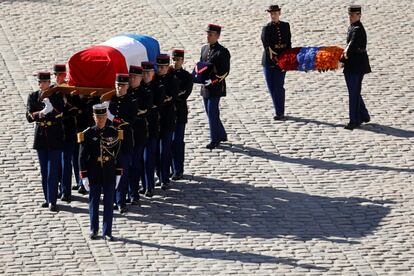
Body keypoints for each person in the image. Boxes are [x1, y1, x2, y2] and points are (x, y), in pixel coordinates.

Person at [78, 104, 122, 241]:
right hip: (94, 173)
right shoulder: (88, 134)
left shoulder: (113, 132)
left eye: (103, 116)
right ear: (94, 117)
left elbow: (118, 154)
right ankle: (94, 229)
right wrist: (84, 176)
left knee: (109, 203)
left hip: (108, 173)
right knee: (94, 203)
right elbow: (82, 157)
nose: (101, 119)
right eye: (98, 117)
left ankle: (107, 231)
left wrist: (118, 173)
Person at [26, 72, 64, 212]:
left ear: (49, 83)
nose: (41, 85)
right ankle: (47, 198)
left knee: (52, 170)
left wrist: (49, 109)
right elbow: (29, 116)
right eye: (39, 82)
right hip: (41, 136)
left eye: (44, 82)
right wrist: (41, 113)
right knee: (43, 170)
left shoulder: (56, 95)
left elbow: (60, 113)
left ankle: (52, 201)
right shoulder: (33, 96)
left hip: (54, 136)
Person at [107, 73, 136, 213]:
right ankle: (112, 199)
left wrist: (111, 117)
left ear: (127, 86)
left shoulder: (131, 101)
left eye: (123, 85)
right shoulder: (110, 100)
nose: (120, 88)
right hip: (111, 143)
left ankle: (121, 201)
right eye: (118, 85)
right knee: (111, 173)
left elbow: (129, 120)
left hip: (124, 142)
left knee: (123, 173)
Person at [200, 24, 231, 150]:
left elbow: (225, 71)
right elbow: (201, 65)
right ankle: (222, 134)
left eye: (211, 34)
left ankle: (214, 139)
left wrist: (212, 81)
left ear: (217, 36)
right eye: (207, 34)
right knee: (209, 112)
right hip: (205, 86)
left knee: (212, 111)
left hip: (216, 86)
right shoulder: (204, 49)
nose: (208, 36)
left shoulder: (222, 52)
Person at [341, 5, 371, 130]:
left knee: (353, 93)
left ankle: (354, 120)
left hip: (356, 65)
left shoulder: (358, 29)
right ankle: (363, 115)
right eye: (350, 15)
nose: (351, 17)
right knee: (355, 91)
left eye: (353, 15)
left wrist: (341, 60)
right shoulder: (352, 27)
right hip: (352, 65)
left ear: (359, 15)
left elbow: (351, 46)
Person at [54, 64, 81, 203]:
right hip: (56, 131)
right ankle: (59, 188)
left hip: (69, 130)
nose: (58, 77)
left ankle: (66, 191)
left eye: (61, 74)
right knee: (57, 162)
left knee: (67, 162)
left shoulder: (71, 91)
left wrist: (67, 106)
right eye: (56, 75)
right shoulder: (52, 91)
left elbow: (77, 109)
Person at [261, 4, 292, 121]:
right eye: (271, 14)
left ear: (280, 13)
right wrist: (275, 58)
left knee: (279, 86)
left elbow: (288, 43)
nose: (273, 16)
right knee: (271, 87)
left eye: (275, 13)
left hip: (282, 59)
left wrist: (287, 59)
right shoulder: (266, 28)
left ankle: (280, 112)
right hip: (269, 61)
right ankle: (278, 109)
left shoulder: (285, 26)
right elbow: (266, 45)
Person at [153, 54, 178, 189]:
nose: (161, 69)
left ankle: (165, 177)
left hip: (167, 119)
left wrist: (163, 100)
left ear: (167, 67)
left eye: (163, 67)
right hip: (156, 121)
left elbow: (173, 97)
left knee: (165, 150)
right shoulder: (154, 79)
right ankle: (159, 175)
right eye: (159, 67)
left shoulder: (172, 80)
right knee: (156, 150)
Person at [169, 49, 193, 180]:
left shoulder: (186, 76)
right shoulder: (167, 73)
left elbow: (185, 93)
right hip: (167, 114)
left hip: (179, 113)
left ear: (182, 60)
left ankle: (178, 169)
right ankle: (167, 169)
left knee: (177, 141)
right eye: (174, 59)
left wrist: (172, 95)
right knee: (168, 143)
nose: (176, 62)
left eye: (178, 60)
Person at [128, 65, 149, 202]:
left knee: (135, 164)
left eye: (135, 77)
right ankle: (126, 193)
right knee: (127, 165)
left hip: (139, 132)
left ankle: (134, 193)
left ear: (141, 78)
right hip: (127, 133)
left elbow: (143, 108)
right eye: (131, 76)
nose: (132, 79)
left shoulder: (145, 92)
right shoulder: (125, 92)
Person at [139, 61, 158, 198]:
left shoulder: (157, 88)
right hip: (140, 130)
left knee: (149, 159)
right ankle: (144, 184)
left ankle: (149, 186)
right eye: (144, 73)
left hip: (152, 127)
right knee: (140, 160)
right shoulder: (138, 90)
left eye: (148, 72)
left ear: (153, 73)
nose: (146, 75)